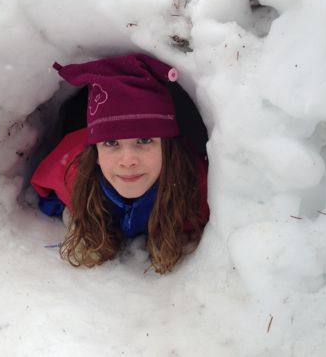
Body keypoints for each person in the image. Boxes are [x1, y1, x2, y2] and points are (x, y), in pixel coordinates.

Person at [31, 53, 209, 274]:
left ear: (167, 147)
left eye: (144, 140)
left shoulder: (194, 187)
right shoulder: (73, 172)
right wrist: (76, 216)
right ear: (95, 153)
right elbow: (45, 191)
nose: (128, 160)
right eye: (111, 142)